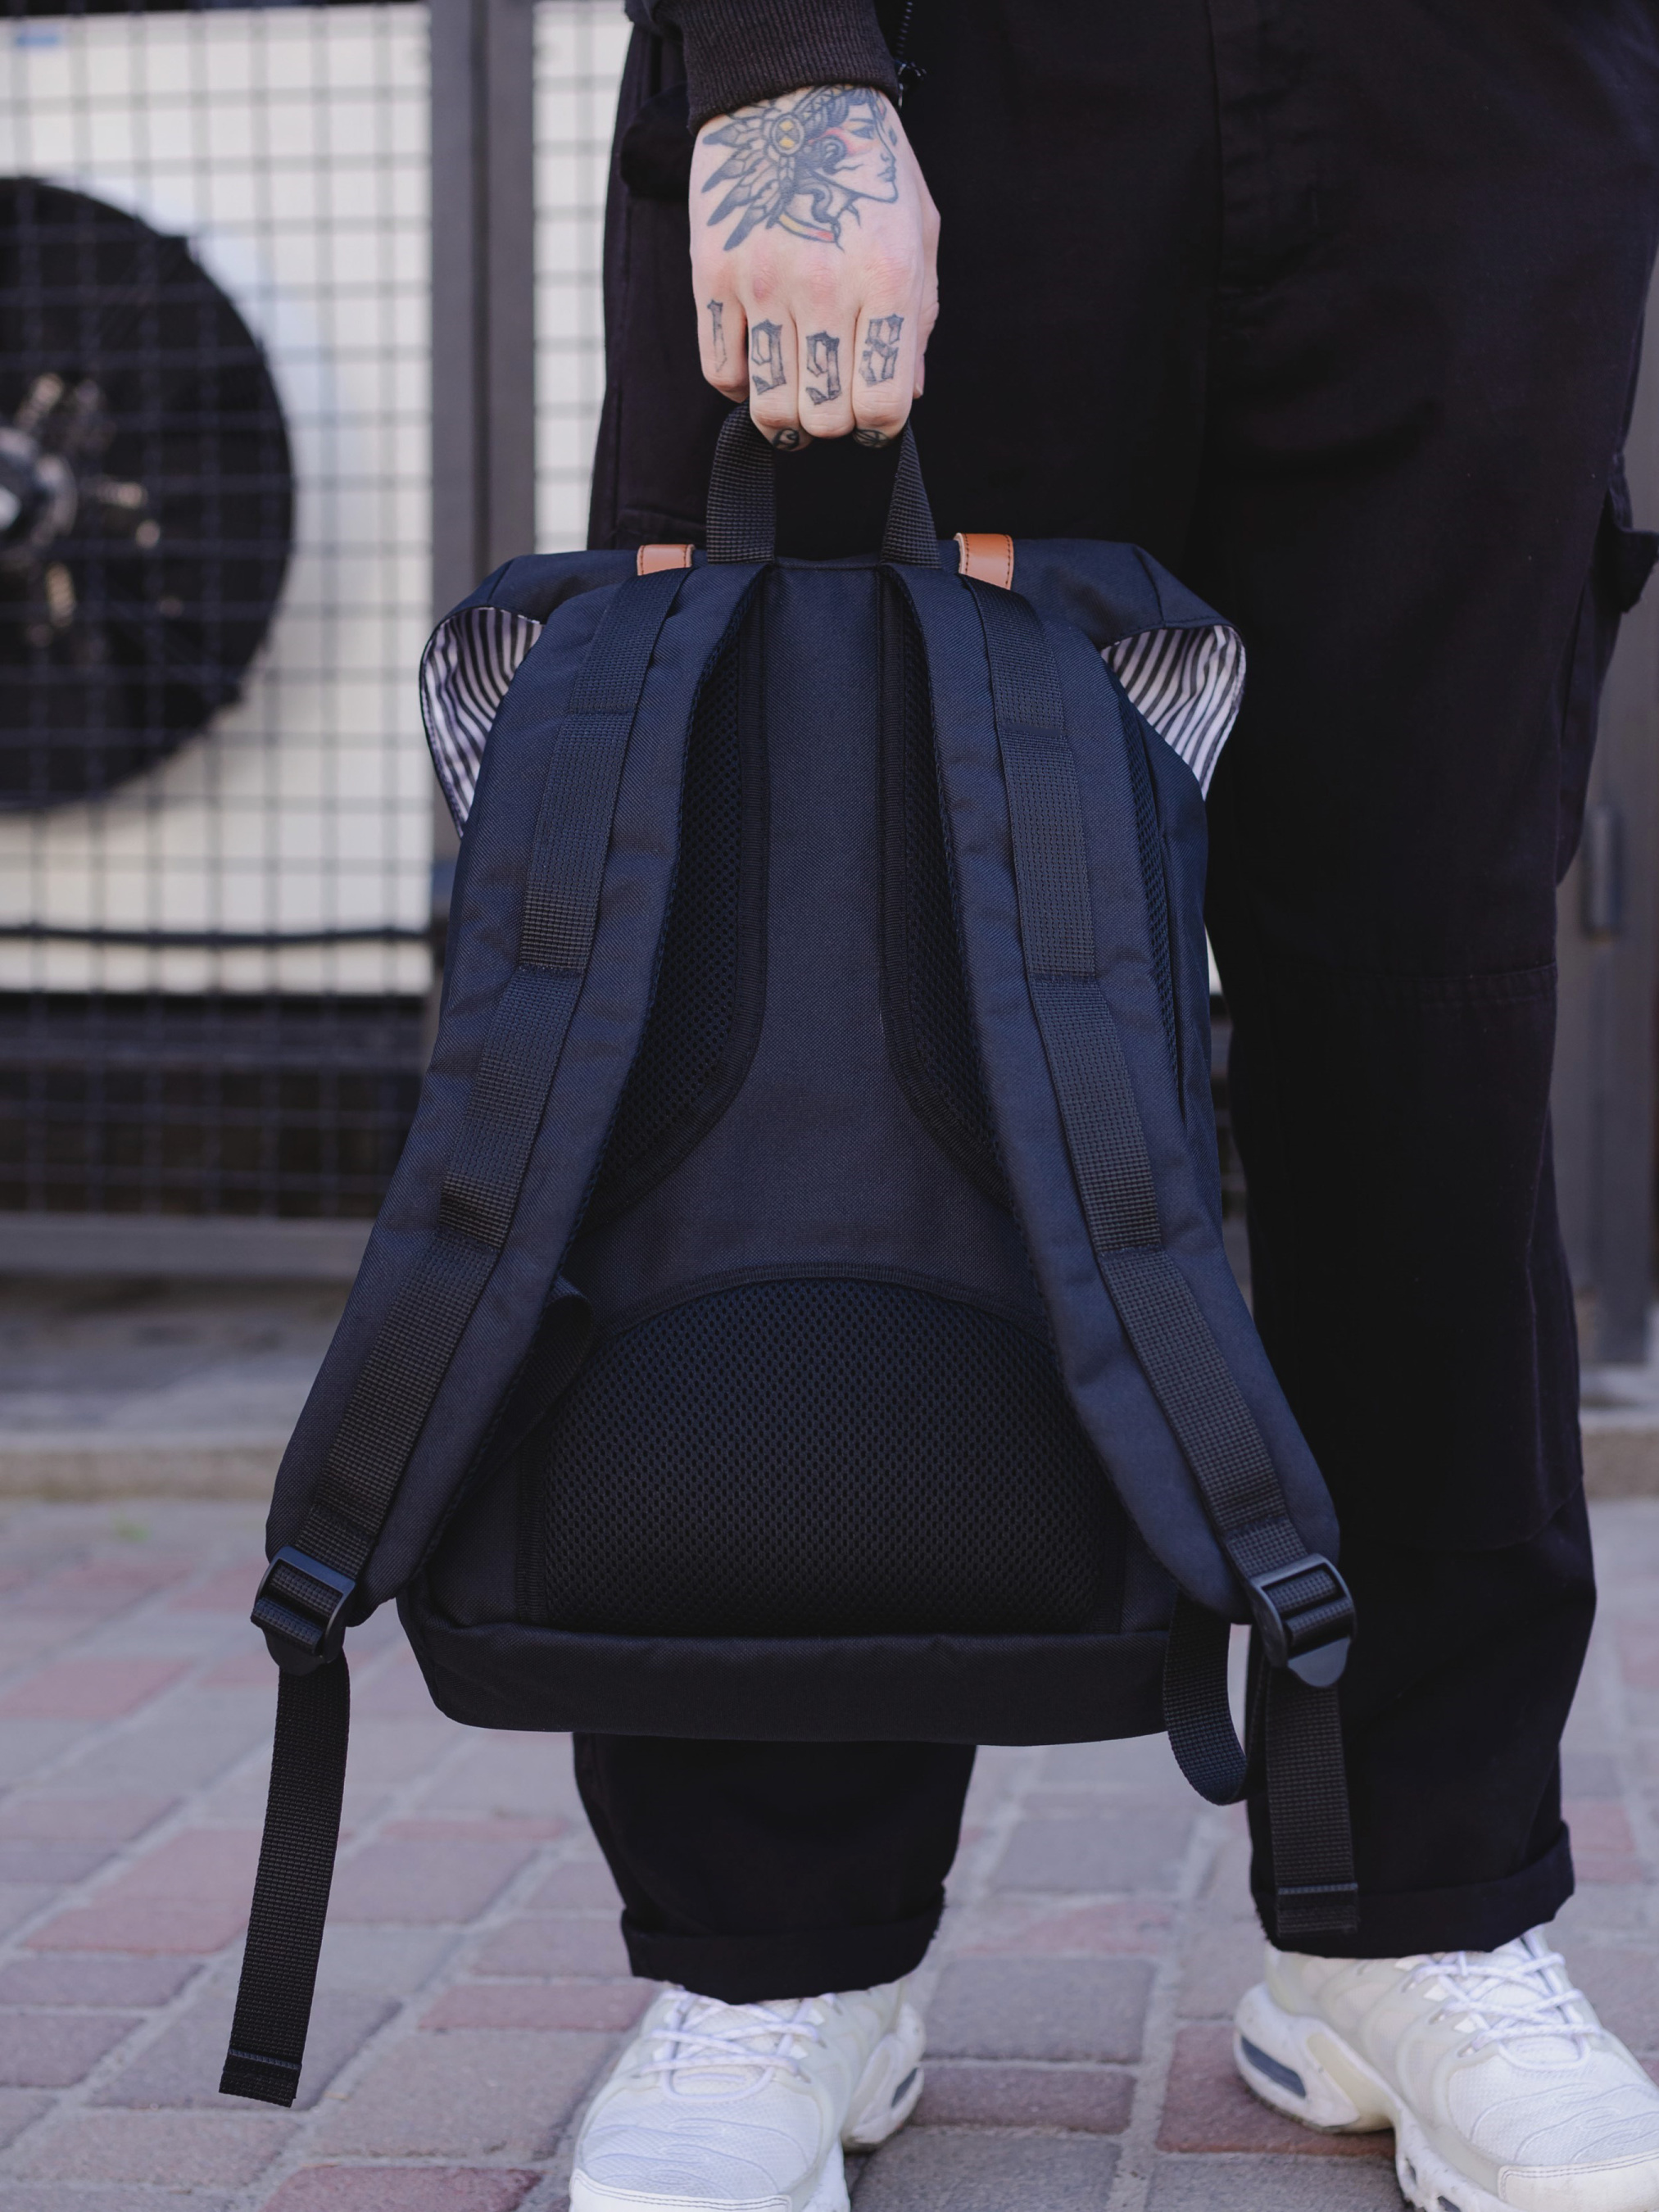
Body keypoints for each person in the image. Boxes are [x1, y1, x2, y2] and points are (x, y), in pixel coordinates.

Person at [566, 7, 1659, 2210]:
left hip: (1467, 88)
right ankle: (781, 1941)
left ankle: (1412, 1908)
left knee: (1426, 1025)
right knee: (822, 980)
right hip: (942, 74)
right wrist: (781, 61)